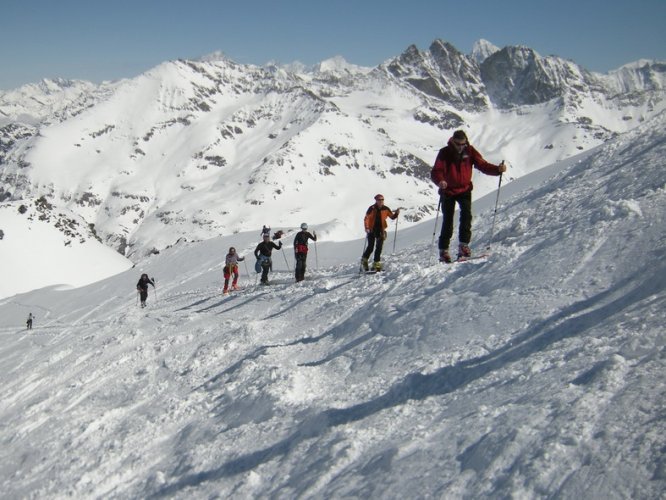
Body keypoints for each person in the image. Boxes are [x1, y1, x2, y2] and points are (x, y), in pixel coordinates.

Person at [430, 130, 506, 262]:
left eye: (463, 144)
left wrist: (497, 170)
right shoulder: (445, 153)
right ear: (453, 142)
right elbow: (436, 171)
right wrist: (440, 181)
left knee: (466, 216)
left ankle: (463, 246)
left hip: (464, 189)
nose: (461, 147)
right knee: (448, 220)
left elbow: (482, 164)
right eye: (458, 144)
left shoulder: (469, 151)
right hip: (447, 190)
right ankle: (443, 251)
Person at [361, 194, 400, 272]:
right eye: (379, 200)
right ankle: (364, 260)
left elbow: (392, 217)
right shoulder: (372, 208)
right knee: (370, 247)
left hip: (381, 230)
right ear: (376, 200)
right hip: (371, 230)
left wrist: (396, 213)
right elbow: (366, 218)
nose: (381, 201)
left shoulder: (386, 209)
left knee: (379, 247)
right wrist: (367, 228)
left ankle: (376, 263)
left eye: (382, 200)